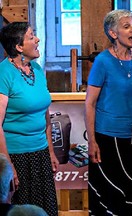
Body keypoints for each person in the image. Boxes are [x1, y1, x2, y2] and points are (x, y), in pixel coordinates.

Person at [84, 9, 132, 216]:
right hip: (106, 138)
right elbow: (90, 103)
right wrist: (92, 141)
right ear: (113, 34)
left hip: (131, 137)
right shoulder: (102, 62)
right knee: (107, 197)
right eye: (127, 26)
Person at [0, 22, 59, 216]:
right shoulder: (3, 74)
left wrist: (50, 151)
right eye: (32, 36)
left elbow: (45, 115)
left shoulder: (37, 69)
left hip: (40, 153)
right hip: (17, 155)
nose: (37, 39)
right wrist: (8, 167)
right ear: (18, 47)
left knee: (45, 209)